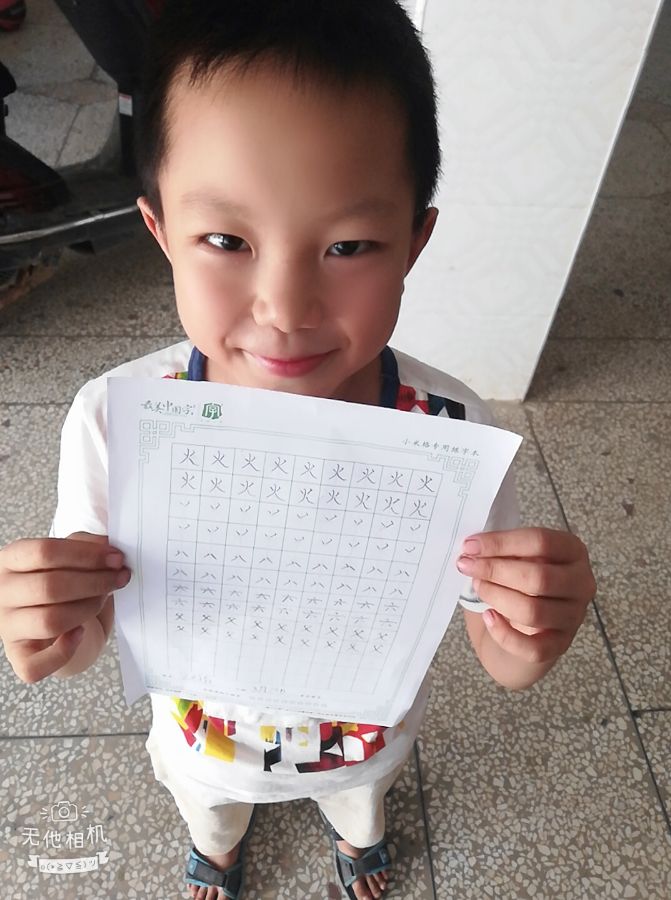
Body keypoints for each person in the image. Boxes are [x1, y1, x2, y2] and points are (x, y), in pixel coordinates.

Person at [0, 2, 597, 898]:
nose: (285, 307)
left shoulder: (450, 430)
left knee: (361, 806)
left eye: (348, 245)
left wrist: (532, 637)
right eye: (225, 240)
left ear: (413, 243)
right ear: (160, 232)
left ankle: (358, 843)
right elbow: (90, 630)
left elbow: (493, 640)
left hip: (366, 743)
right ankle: (218, 853)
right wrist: (53, 627)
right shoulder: (116, 420)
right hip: (201, 745)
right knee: (210, 813)